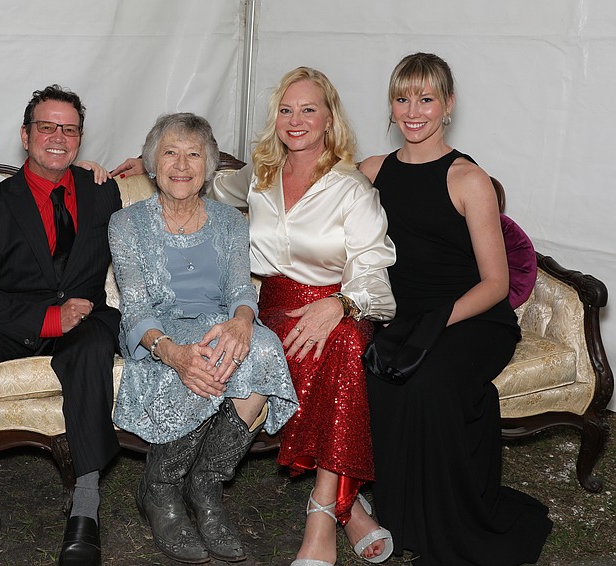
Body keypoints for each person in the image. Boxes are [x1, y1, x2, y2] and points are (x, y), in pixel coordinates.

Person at [113, 66, 396, 566]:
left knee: (324, 346)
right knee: (227, 351)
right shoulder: (259, 175)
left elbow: (369, 274)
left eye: (308, 109)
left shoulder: (350, 189)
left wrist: (334, 304)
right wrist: (151, 160)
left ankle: (274, 498)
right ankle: (163, 488)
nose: (296, 119)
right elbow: (207, 181)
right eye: (286, 109)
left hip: (334, 302)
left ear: (329, 118)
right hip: (263, 306)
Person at [359, 52, 553, 565]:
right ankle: (400, 515)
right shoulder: (371, 171)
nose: (413, 111)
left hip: (473, 317)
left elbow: (496, 283)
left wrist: (435, 321)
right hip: (403, 316)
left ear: (448, 104)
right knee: (380, 377)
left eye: (426, 99)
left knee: (429, 384)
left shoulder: (468, 179)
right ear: (391, 105)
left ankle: (452, 523)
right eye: (403, 99)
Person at [0, 85, 121, 566]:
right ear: (25, 135)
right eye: (47, 127)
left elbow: (175, 171)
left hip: (85, 319)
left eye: (69, 129)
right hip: (15, 321)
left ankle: (86, 506)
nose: (58, 137)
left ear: (80, 139)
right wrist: (48, 318)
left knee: (91, 348)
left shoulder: (103, 191)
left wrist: (141, 162)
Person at [108, 113, 298, 564]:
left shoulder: (230, 221)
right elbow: (134, 307)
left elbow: (239, 289)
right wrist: (173, 353)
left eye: (193, 154)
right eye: (170, 153)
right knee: (209, 356)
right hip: (158, 335)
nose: (181, 164)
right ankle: (160, 489)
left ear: (208, 165)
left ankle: (206, 486)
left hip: (217, 325)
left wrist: (244, 320)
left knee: (264, 347)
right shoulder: (126, 222)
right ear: (152, 162)